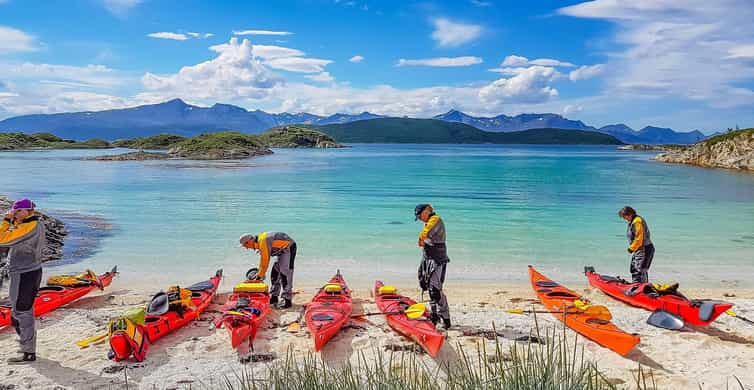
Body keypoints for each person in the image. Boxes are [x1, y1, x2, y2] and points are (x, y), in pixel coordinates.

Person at [0, 198, 45, 364]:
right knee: (23, 311)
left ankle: (28, 353)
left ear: (28, 211)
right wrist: (14, 220)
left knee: (21, 313)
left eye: (18, 211)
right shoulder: (35, 223)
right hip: (31, 271)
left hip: (24, 274)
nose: (15, 213)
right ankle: (28, 348)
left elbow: (2, 240)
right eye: (14, 210)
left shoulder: (28, 227)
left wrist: (5, 221)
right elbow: (17, 232)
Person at [414, 204, 451, 330]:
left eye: (419, 216)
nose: (419, 219)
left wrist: (420, 239)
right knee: (428, 286)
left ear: (426, 212)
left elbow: (426, 232)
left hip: (437, 259)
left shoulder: (435, 220)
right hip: (428, 259)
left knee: (435, 290)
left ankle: (445, 319)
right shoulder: (429, 221)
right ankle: (435, 316)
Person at [239, 232, 297, 309]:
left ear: (249, 241)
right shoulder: (260, 242)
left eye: (245, 245)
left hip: (288, 247)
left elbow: (265, 261)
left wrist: (259, 276)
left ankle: (287, 300)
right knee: (275, 273)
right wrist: (259, 274)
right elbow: (262, 261)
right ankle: (274, 297)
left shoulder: (263, 241)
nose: (246, 248)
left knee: (285, 273)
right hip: (280, 251)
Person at [619, 206, 655, 284]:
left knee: (639, 270)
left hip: (644, 248)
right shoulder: (634, 221)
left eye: (625, 217)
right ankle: (637, 286)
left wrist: (631, 248)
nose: (625, 219)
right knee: (635, 269)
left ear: (630, 214)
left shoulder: (637, 222)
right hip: (640, 249)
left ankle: (640, 289)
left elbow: (639, 238)